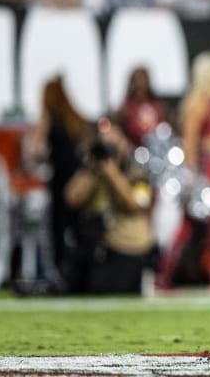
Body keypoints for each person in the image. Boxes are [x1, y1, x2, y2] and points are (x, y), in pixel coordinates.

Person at [157, 51, 210, 288]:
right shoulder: (198, 102)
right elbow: (190, 141)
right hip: (206, 166)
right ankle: (165, 273)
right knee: (188, 224)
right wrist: (191, 172)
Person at [64, 118, 155, 294]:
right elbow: (72, 199)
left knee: (104, 287)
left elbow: (134, 204)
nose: (110, 148)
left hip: (127, 250)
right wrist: (92, 167)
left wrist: (111, 171)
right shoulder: (93, 169)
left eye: (114, 142)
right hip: (95, 249)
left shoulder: (137, 171)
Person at [31, 76, 93, 287]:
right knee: (79, 227)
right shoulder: (74, 118)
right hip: (78, 182)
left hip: (60, 183)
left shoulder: (50, 117)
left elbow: (37, 151)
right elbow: (87, 148)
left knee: (57, 228)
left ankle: (61, 274)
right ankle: (80, 271)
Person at [116, 66, 170, 148]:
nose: (142, 83)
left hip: (157, 148)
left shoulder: (158, 105)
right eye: (138, 79)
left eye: (144, 79)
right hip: (134, 148)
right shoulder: (126, 107)